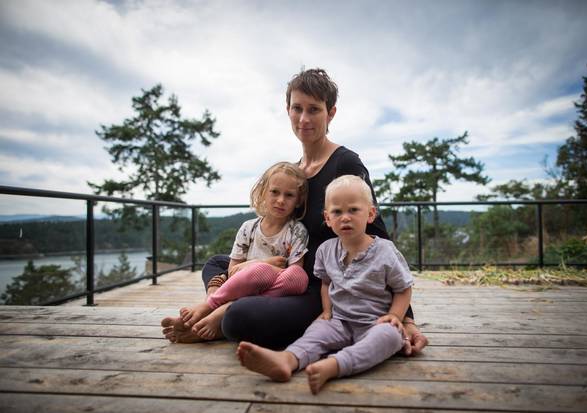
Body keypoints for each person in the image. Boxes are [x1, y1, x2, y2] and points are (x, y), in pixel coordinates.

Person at [163, 68, 428, 354]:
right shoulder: (294, 174)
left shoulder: (345, 164)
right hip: (277, 271)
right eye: (297, 108)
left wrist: (405, 317)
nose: (304, 119)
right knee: (216, 262)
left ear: (331, 113)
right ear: (287, 110)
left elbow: (377, 239)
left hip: (318, 285)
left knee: (241, 318)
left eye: (314, 109)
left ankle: (224, 313)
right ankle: (213, 309)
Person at [237, 175, 413, 394]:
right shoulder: (326, 250)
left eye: (353, 210)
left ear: (370, 214)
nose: (345, 218)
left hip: (374, 322)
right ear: (327, 218)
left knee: (390, 336)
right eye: (337, 212)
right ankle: (287, 359)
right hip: (338, 321)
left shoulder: (385, 251)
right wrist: (327, 311)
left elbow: (403, 287)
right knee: (315, 333)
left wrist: (396, 316)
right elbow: (326, 283)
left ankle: (335, 365)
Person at [162, 161, 310, 341]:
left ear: (298, 201)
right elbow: (233, 271)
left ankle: (217, 310)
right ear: (263, 192)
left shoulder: (297, 231)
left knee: (297, 275)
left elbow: (294, 274)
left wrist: (262, 268)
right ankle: (213, 305)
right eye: (275, 192)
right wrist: (261, 264)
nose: (280, 200)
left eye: (289, 195)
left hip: (270, 291)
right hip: (241, 285)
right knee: (216, 262)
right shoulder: (249, 228)